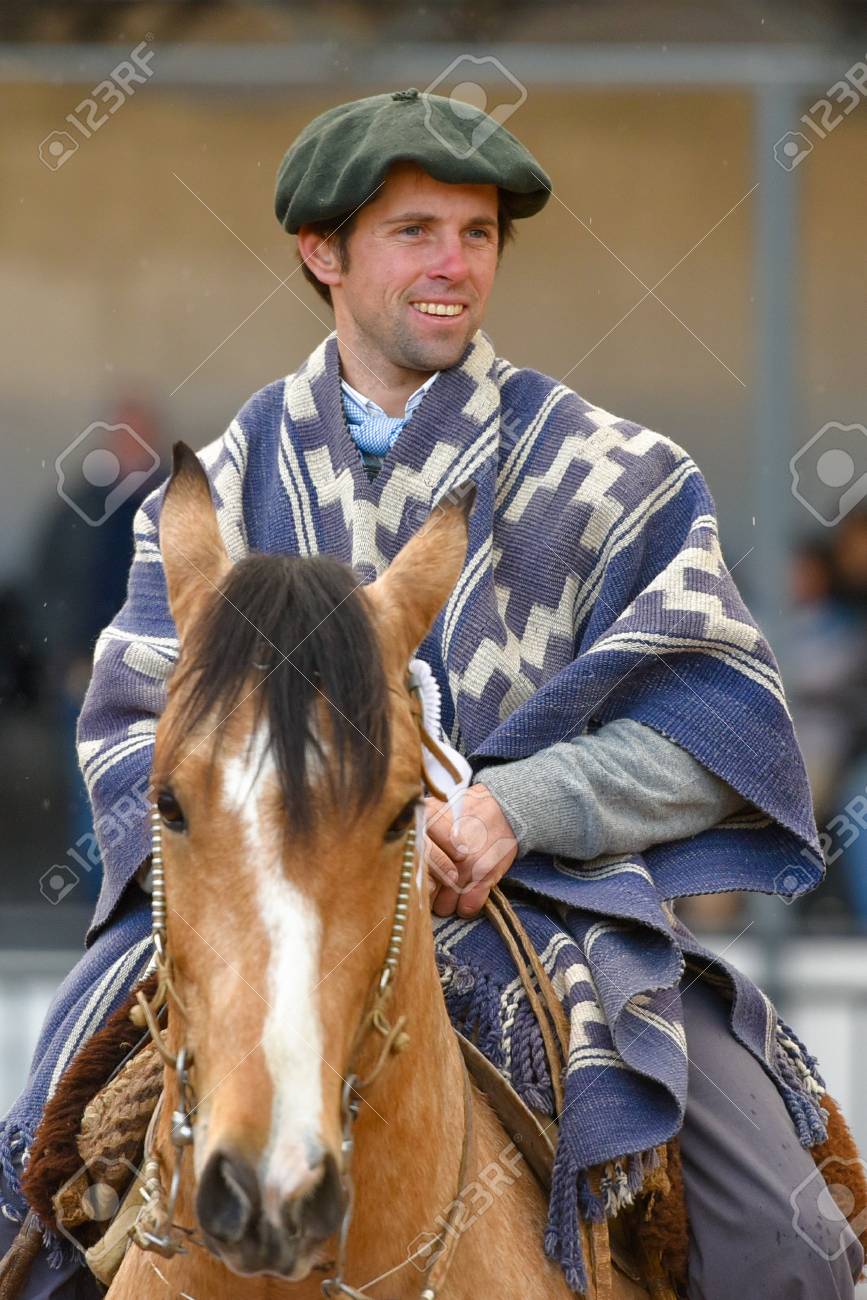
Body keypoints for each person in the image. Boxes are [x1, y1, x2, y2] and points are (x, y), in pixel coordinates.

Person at [0, 89, 862, 1298]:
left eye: (479, 234)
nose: (454, 265)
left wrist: (521, 806)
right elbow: (132, 724)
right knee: (32, 1198)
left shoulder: (619, 473)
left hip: (559, 922)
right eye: (415, 231)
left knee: (789, 1245)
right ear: (323, 252)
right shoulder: (222, 489)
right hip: (254, 919)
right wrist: (277, 855)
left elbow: (722, 718)